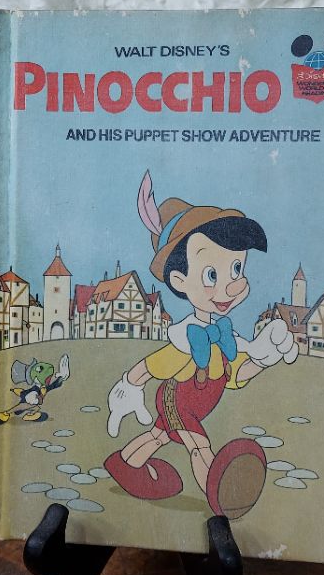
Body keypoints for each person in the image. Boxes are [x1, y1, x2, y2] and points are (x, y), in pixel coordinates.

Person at [104, 172, 297, 520]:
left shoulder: (224, 336)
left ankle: (126, 463)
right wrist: (128, 386)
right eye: (212, 275)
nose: (232, 285)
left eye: (236, 268)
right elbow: (152, 366)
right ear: (180, 281)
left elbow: (235, 376)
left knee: (160, 436)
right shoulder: (185, 338)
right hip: (178, 400)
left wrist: (264, 359)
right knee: (198, 445)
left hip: (195, 402)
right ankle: (220, 496)